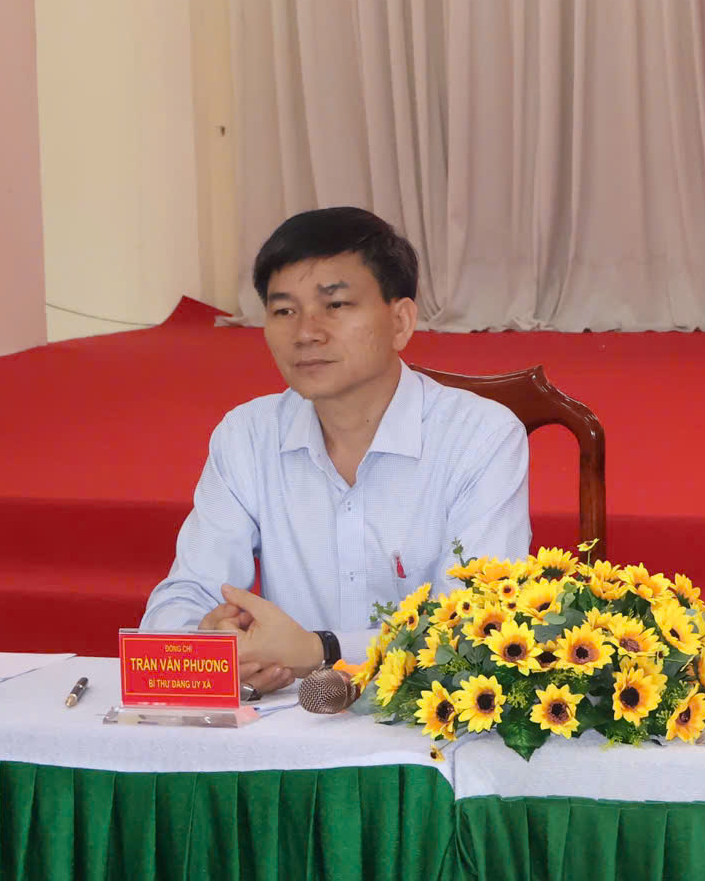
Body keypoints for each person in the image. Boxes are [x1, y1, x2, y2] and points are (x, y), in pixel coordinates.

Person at [140, 208, 530, 696]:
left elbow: (481, 631)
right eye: (284, 311)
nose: (307, 332)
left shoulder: (481, 437)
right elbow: (185, 594)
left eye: (336, 305)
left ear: (401, 321)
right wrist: (212, 646)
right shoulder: (247, 435)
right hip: (285, 717)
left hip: (427, 719)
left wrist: (321, 650)